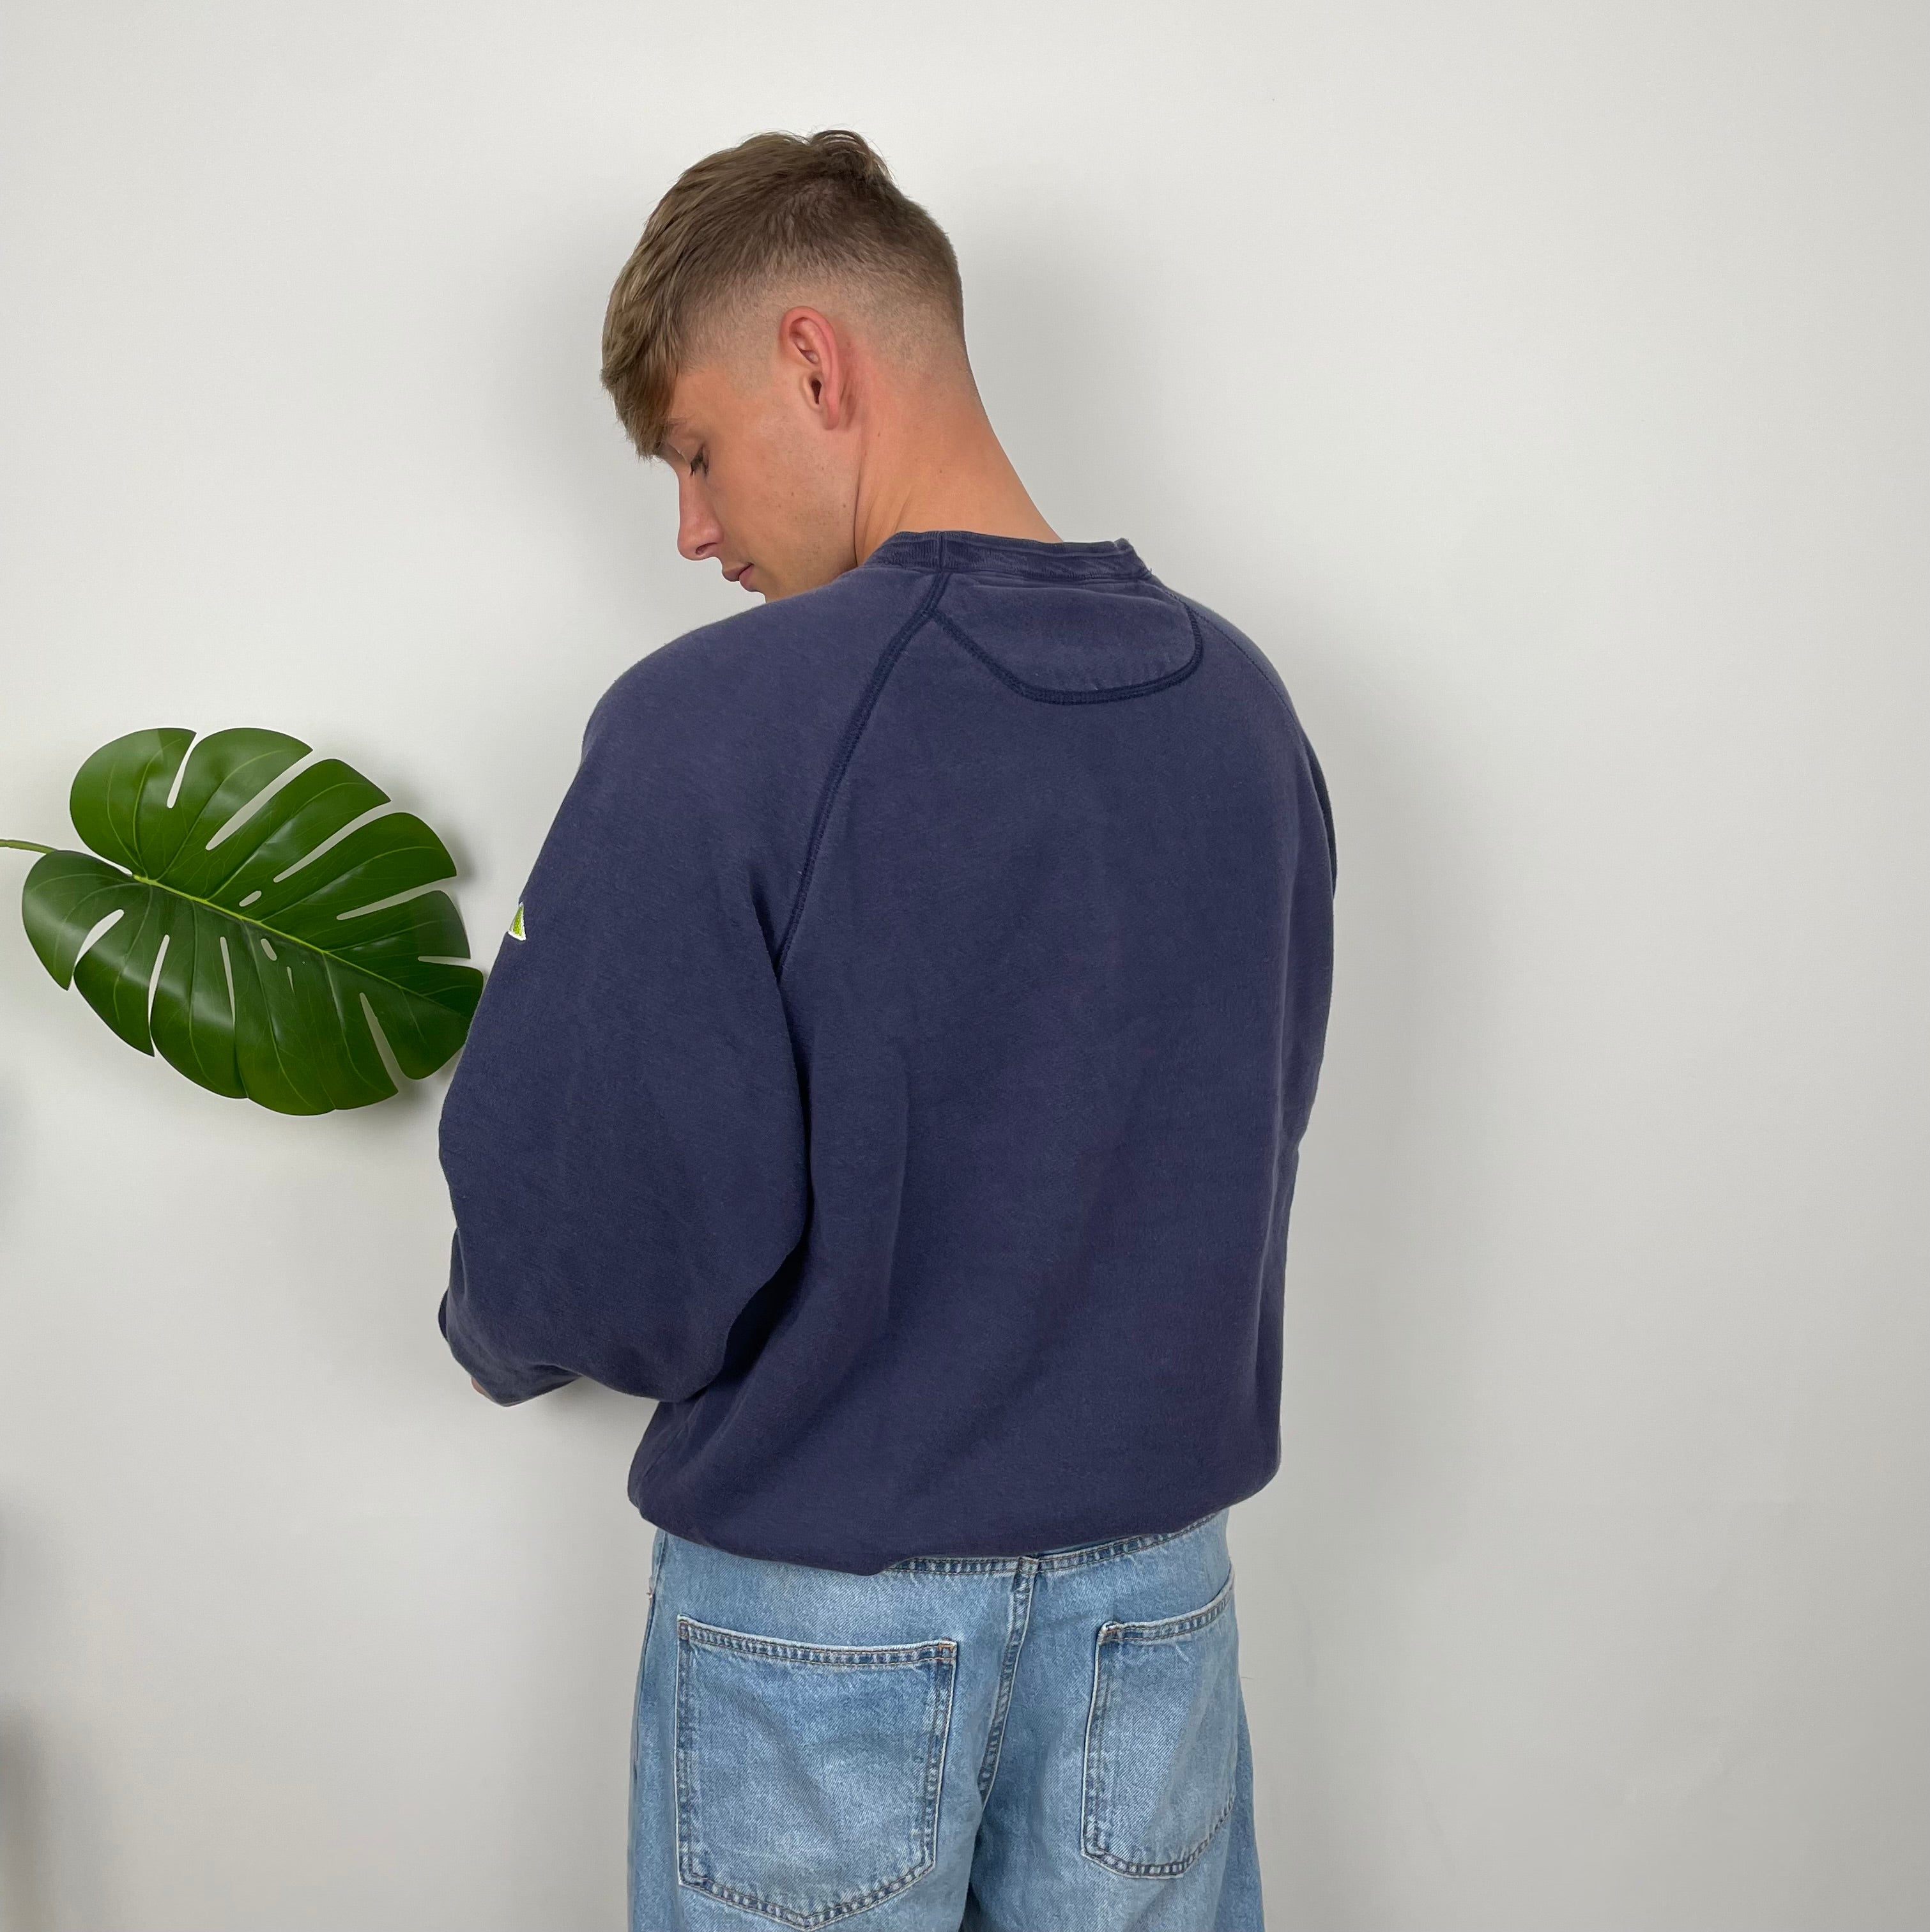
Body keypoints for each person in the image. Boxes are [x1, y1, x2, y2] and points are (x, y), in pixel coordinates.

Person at [436, 127, 1335, 1931]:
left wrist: (499, 1326)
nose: (690, 530)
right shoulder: (1244, 712)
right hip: (1156, 1612)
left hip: (823, 1627)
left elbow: (596, 1234)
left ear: (812, 364)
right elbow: (1246, 1128)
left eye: (692, 453)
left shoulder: (719, 728)